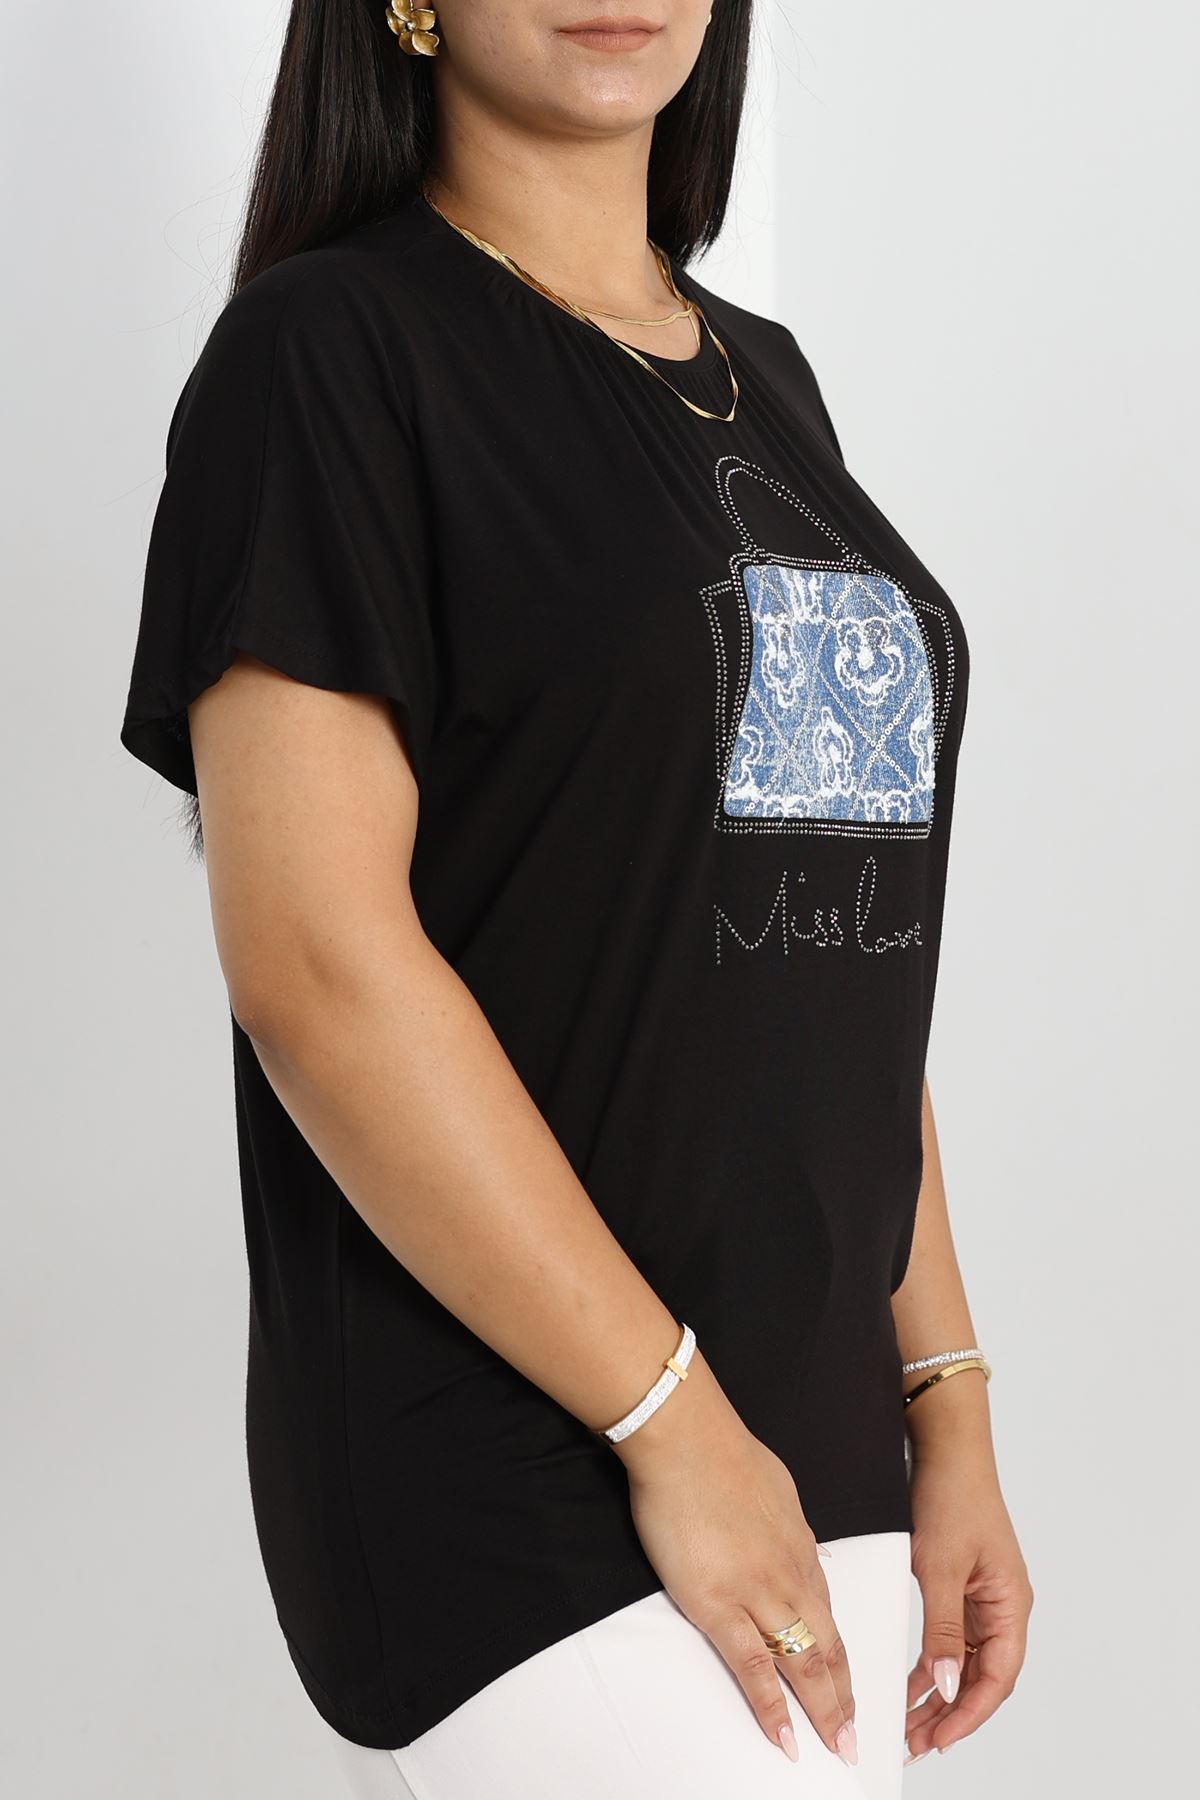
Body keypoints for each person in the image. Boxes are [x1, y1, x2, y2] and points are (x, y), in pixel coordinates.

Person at [119, 4, 1033, 1796]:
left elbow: (832, 932)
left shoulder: (766, 376)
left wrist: (949, 1397)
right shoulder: (327, 354)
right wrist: (671, 1425)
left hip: (807, 1449)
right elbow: (314, 964)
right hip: (547, 1458)